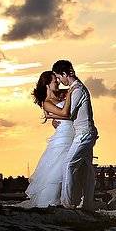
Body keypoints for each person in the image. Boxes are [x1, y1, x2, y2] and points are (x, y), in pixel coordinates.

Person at [48, 59, 99, 210]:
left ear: (64, 74)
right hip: (85, 133)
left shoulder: (77, 90)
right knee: (87, 170)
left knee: (69, 165)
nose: (58, 80)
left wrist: (52, 116)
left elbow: (69, 114)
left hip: (84, 134)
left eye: (58, 77)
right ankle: (87, 204)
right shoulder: (77, 88)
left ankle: (68, 204)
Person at [21, 71, 74, 208]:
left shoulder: (63, 94)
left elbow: (75, 87)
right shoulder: (46, 103)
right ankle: (51, 202)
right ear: (47, 85)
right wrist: (52, 117)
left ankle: (68, 200)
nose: (57, 82)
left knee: (69, 168)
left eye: (57, 80)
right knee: (58, 170)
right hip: (62, 138)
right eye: (54, 81)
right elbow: (65, 113)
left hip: (72, 134)